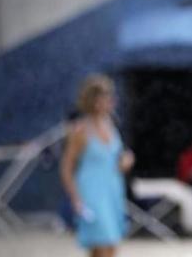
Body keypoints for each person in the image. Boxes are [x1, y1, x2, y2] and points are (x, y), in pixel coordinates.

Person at [60, 74, 135, 257]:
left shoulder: (111, 125)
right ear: (93, 101)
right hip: (91, 193)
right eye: (106, 97)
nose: (111, 101)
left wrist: (126, 160)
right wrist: (76, 199)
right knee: (103, 245)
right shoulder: (80, 130)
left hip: (112, 190)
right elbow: (67, 168)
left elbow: (115, 159)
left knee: (108, 246)